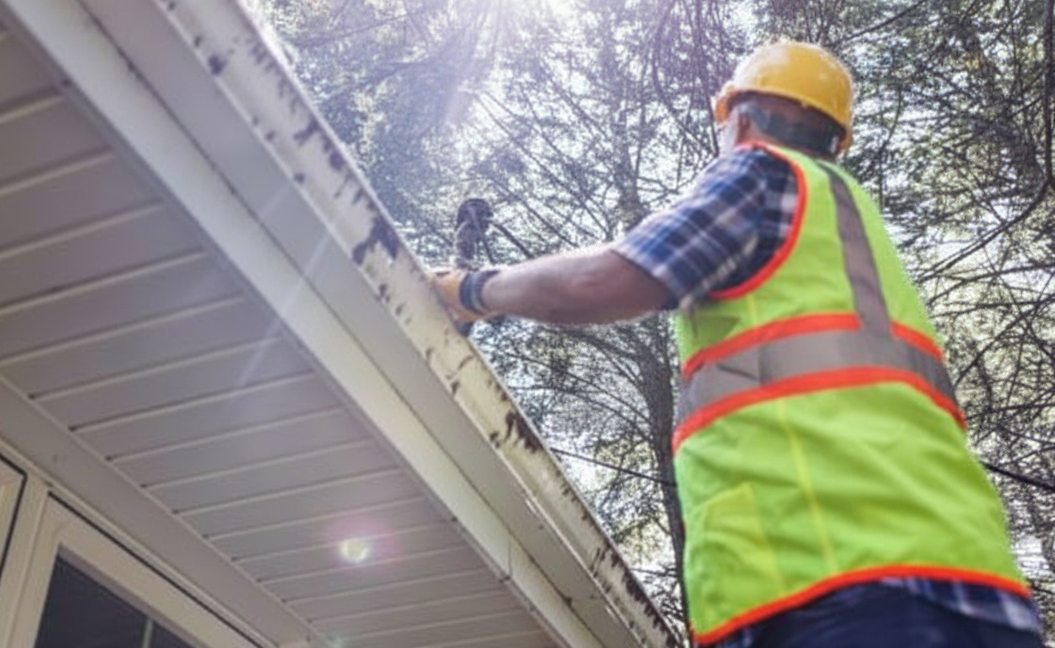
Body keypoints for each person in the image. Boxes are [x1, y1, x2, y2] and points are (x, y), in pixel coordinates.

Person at [431, 41, 1045, 648]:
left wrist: (472, 290)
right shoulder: (849, 229)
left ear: (742, 120)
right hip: (976, 589)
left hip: (837, 591)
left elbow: (607, 280)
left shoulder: (762, 172)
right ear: (836, 139)